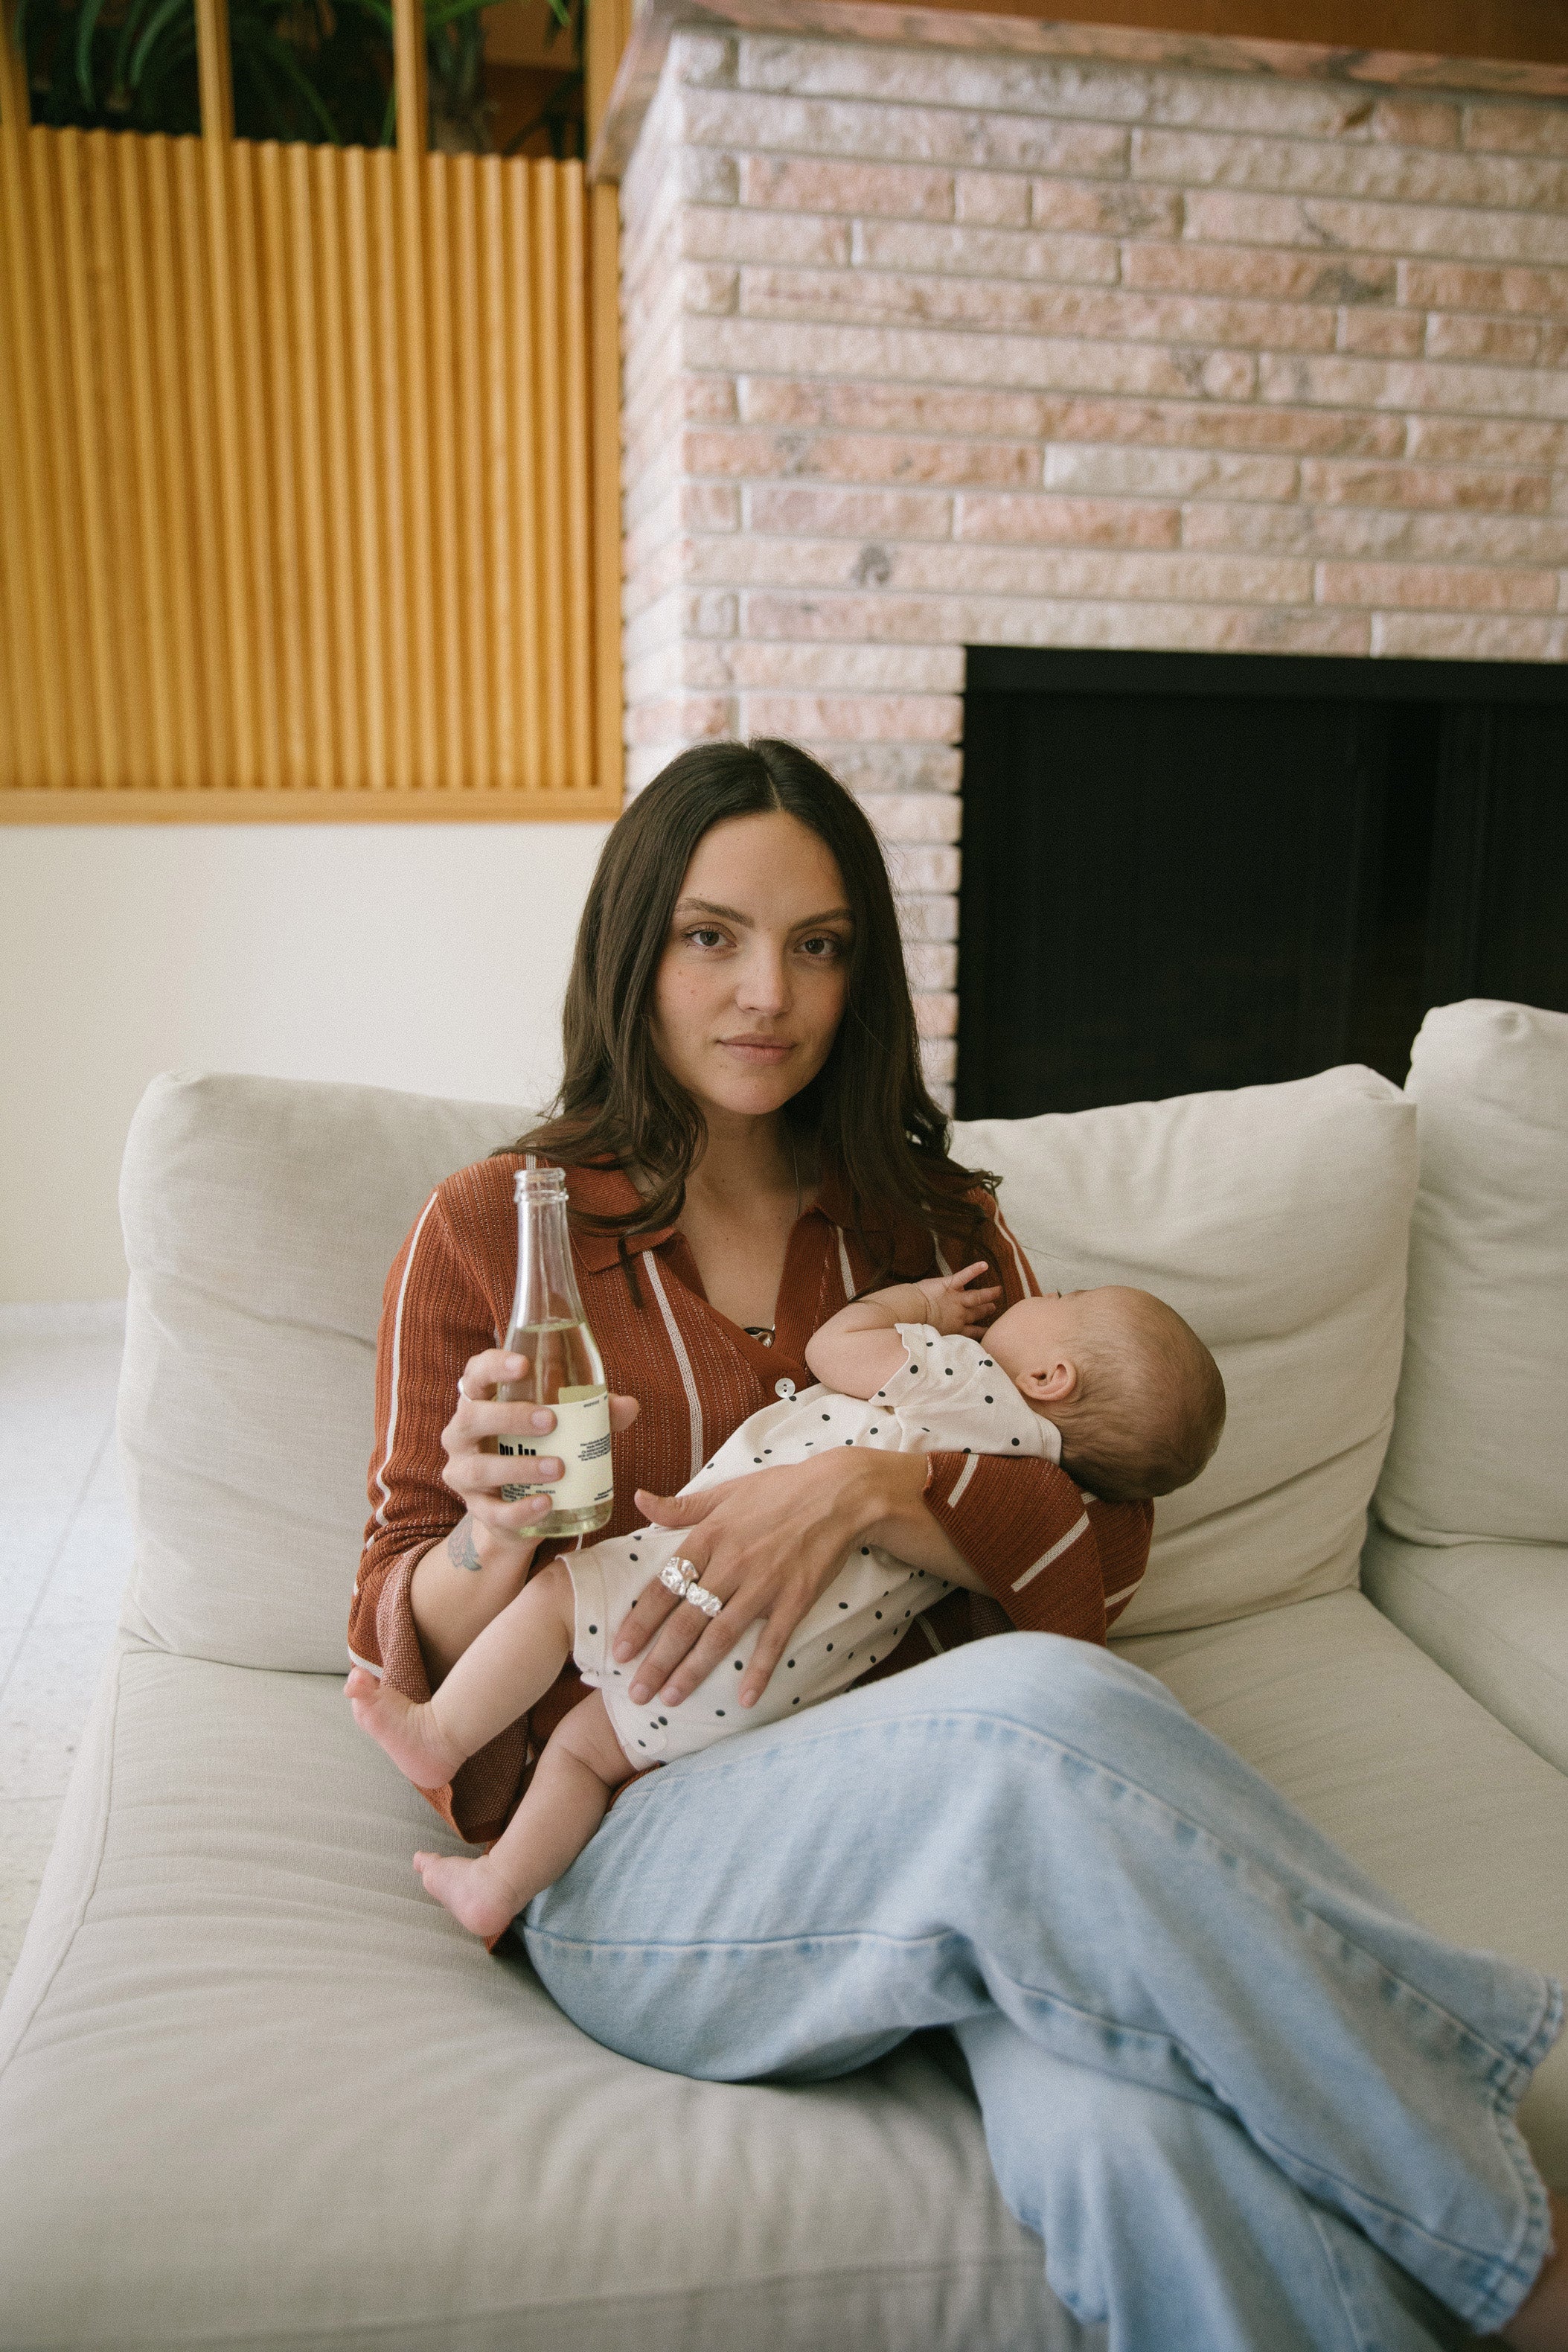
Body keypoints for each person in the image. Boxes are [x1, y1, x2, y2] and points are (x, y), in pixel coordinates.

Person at [348, 739, 1565, 2352]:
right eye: (713, 934)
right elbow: (391, 1606)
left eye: (819, 941)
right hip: (630, 1847)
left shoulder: (931, 1223)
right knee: (1047, 1733)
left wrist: (878, 1489)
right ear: (633, 948)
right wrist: (490, 1539)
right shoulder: (501, 1221)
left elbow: (1095, 1552)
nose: (766, 989)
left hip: (955, 1814)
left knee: (1133, 2133)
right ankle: (1524, 2252)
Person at [345, 1261, 1226, 1939]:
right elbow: (1071, 1545)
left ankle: (442, 1736)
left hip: (687, 1592)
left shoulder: (957, 1366)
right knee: (587, 1751)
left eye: (1062, 1296)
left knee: (554, 1600)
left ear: (1050, 1377)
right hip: (785, 1687)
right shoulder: (1024, 1470)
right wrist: (492, 1531)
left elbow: (836, 1348)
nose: (1038, 1294)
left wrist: (915, 1308)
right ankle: (496, 1888)